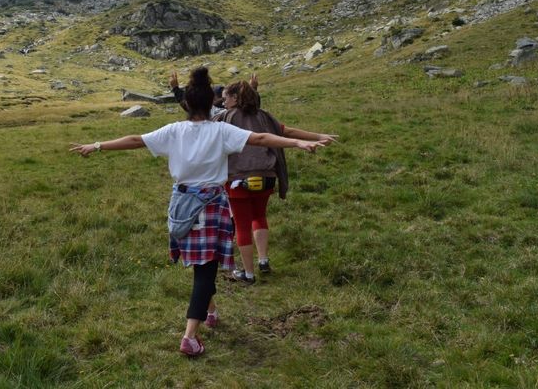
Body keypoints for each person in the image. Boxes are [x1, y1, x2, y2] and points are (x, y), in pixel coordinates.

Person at [70, 67, 333, 357]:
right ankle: (189, 337)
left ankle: (211, 313)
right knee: (205, 272)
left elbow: (135, 139)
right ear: (212, 103)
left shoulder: (174, 130)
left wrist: (95, 145)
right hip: (211, 205)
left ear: (185, 104)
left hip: (181, 204)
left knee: (202, 266)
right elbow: (259, 139)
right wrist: (297, 142)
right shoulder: (220, 130)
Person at [216, 81, 338, 284]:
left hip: (237, 179)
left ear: (236, 99)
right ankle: (263, 260)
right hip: (267, 176)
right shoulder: (264, 116)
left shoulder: (225, 118)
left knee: (242, 225)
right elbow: (287, 131)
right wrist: (318, 136)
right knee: (259, 216)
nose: (223, 101)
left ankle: (248, 273)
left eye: (227, 97)